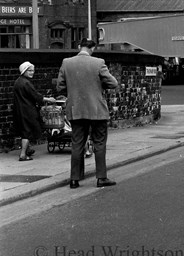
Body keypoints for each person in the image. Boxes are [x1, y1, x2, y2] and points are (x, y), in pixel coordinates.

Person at [56, 38, 119, 189]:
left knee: (77, 143)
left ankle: (74, 179)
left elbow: (60, 86)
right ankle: (101, 178)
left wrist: (73, 92)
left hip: (76, 109)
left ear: (79, 47)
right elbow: (113, 83)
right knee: (99, 143)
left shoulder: (66, 62)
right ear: (93, 48)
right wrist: (99, 86)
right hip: (96, 109)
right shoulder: (98, 62)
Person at [13, 62, 56, 161]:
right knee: (27, 132)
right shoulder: (26, 83)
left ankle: (27, 150)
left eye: (33, 70)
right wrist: (48, 99)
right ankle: (23, 155)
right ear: (24, 71)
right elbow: (36, 96)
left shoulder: (18, 81)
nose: (32, 72)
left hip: (20, 109)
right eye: (30, 70)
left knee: (24, 130)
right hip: (27, 110)